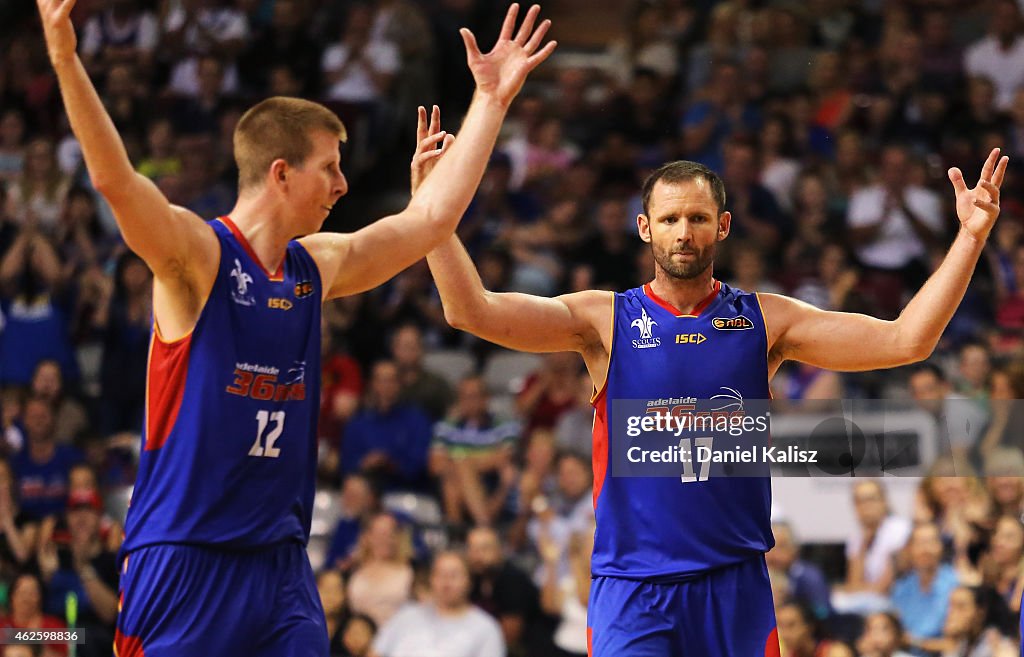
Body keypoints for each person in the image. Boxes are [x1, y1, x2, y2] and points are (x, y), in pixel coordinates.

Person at [35, 1, 556, 655]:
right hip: (186, 558)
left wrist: (491, 101)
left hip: (279, 564)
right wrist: (64, 56)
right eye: (330, 166)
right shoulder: (197, 257)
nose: (343, 183)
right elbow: (115, 181)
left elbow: (429, 221)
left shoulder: (317, 264)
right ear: (281, 173)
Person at [413, 103, 1009, 654]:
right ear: (644, 228)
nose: (683, 232)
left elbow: (908, 340)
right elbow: (472, 311)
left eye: (697, 218)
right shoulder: (605, 319)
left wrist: (970, 237)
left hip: (735, 584)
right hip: (634, 587)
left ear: (723, 226)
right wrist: (432, 215)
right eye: (669, 219)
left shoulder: (767, 319)